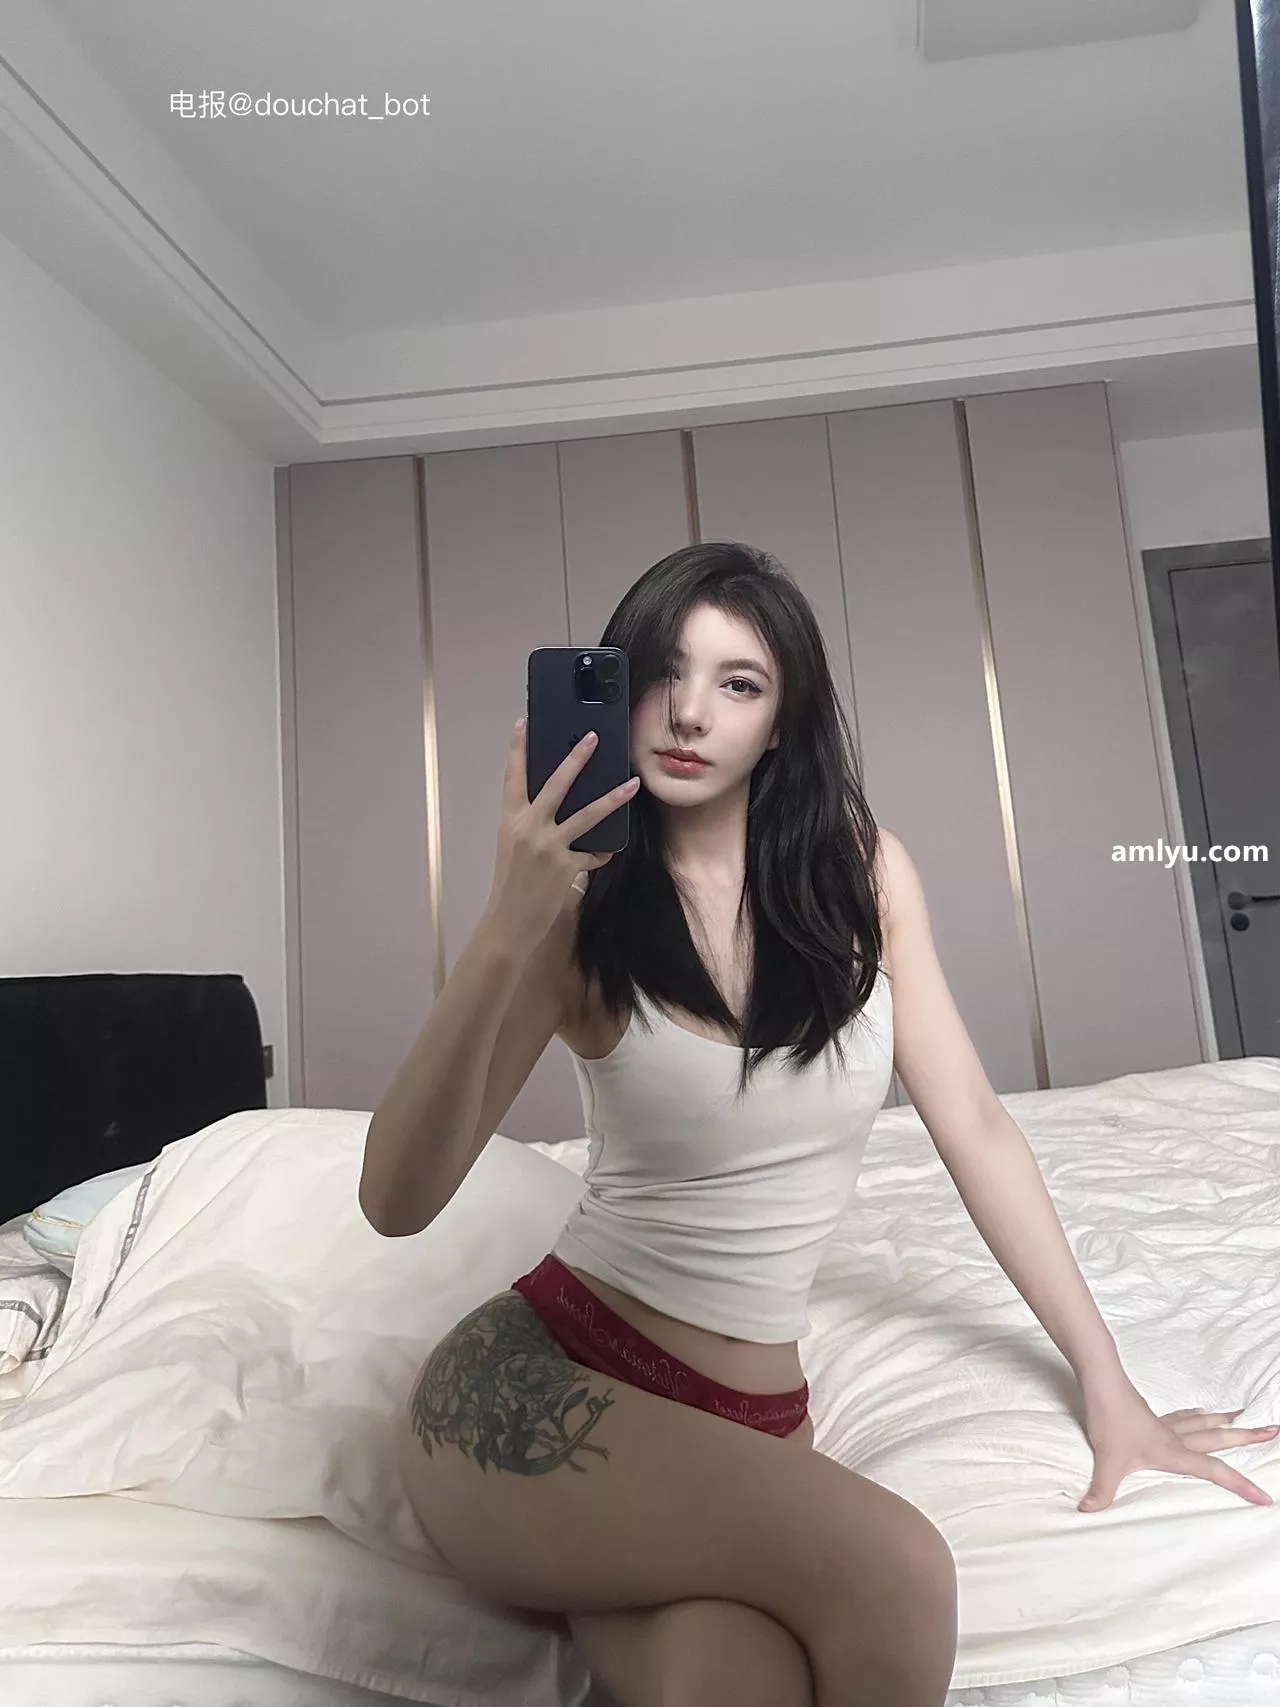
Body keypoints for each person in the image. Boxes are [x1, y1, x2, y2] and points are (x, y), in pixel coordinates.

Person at [360, 543, 1276, 1707]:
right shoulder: (574, 918)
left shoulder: (860, 875)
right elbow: (393, 1201)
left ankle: (598, 1572)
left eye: (737, 683)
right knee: (897, 1567)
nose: (689, 712)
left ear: (780, 725)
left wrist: (1107, 1382)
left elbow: (974, 1125)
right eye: (662, 672)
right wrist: (506, 918)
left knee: (729, 1683)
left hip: (750, 1422)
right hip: (539, 1385)